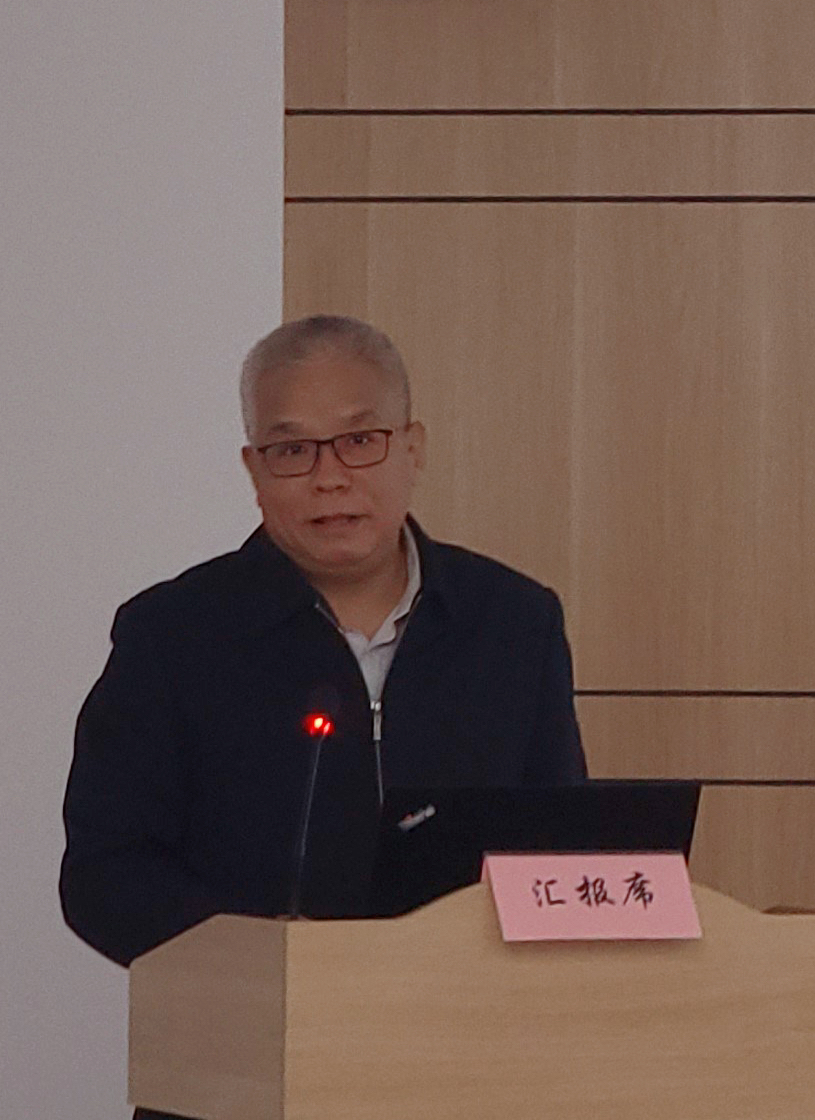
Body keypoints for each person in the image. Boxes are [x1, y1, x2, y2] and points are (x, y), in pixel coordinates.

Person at [61, 314, 587, 969]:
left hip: (465, 1012)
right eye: (292, 451)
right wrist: (260, 954)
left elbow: (564, 850)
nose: (329, 477)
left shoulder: (513, 623)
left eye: (360, 440)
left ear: (413, 449)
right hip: (253, 1014)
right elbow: (105, 875)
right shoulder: (172, 636)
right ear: (254, 471)